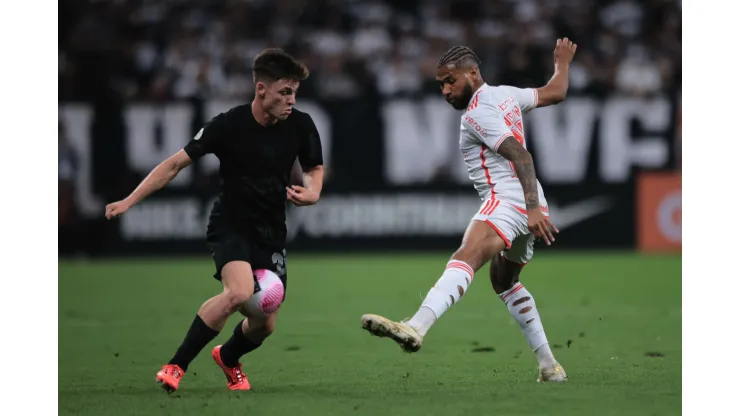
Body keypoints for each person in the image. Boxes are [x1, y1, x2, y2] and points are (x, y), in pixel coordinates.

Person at [105, 48, 325, 393]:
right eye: (285, 92)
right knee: (237, 293)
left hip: (271, 232)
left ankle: (229, 358)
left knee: (265, 325)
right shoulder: (228, 124)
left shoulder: (301, 124)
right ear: (261, 90)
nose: (291, 100)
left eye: (294, 92)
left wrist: (313, 191)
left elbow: (314, 167)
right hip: (231, 223)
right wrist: (129, 200)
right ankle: (175, 366)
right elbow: (175, 164)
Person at [361, 39, 577, 382]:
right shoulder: (506, 95)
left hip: (510, 198)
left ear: (473, 73)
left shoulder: (477, 114)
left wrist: (532, 209)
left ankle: (417, 326)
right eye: (441, 84)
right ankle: (550, 367)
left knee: (467, 254)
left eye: (451, 81)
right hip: (528, 201)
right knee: (503, 280)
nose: (446, 90)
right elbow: (555, 92)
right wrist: (562, 64)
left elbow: (522, 156)